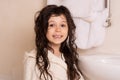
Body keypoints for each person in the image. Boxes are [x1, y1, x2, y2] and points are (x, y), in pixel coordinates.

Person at [24, 5, 84, 80]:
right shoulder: (33, 60)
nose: (58, 30)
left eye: (62, 25)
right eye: (52, 25)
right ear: (43, 29)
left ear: (68, 29)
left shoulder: (68, 55)